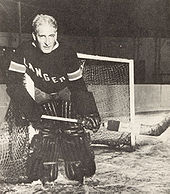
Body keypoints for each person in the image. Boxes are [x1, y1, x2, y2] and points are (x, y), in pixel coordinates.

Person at [5, 14, 101, 184]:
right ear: (35, 36)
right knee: (46, 129)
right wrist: (30, 108)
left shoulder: (67, 52)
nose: (48, 41)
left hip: (65, 90)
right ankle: (40, 163)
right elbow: (13, 84)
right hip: (40, 90)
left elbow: (78, 86)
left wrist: (89, 111)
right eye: (42, 36)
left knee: (72, 127)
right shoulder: (24, 50)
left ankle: (80, 160)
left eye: (52, 35)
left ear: (56, 34)